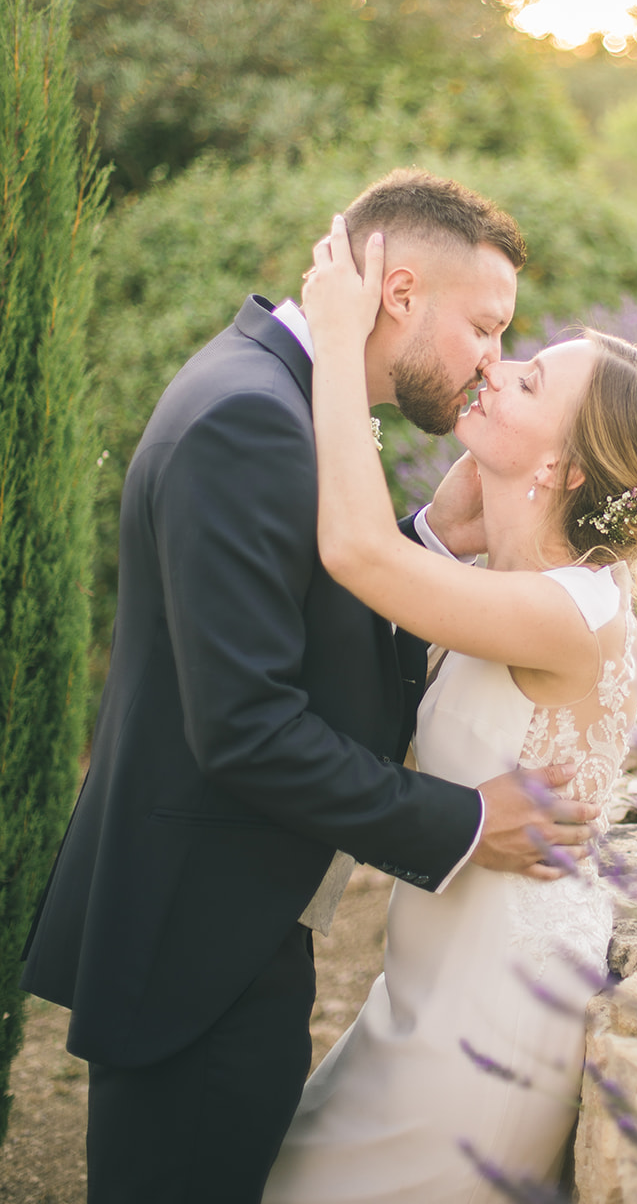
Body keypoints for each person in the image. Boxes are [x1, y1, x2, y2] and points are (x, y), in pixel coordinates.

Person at [20, 170, 597, 1204]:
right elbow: (245, 725)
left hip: (226, 923)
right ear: (401, 293)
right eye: (484, 326)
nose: (492, 358)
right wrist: (466, 821)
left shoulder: (275, 393)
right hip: (199, 943)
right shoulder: (250, 420)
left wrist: (426, 540)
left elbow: (305, 608)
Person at [263, 217, 637, 1204]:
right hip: (426, 992)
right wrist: (452, 526)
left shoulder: (569, 613)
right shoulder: (516, 583)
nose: (495, 370)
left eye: (530, 382)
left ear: (567, 468)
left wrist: (335, 341)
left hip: (493, 1020)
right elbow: (382, 591)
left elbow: (357, 554)